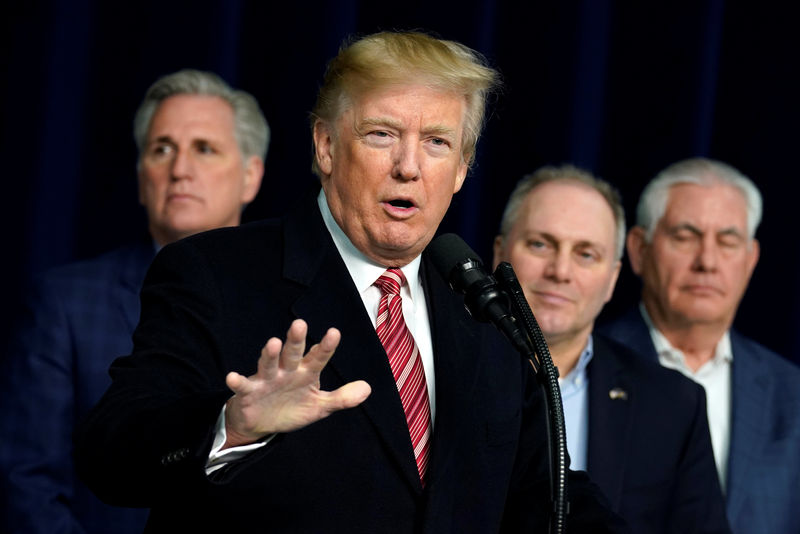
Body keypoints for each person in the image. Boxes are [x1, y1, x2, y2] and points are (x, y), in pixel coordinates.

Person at [74, 32, 625, 533]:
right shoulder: (213, 273)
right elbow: (111, 455)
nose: (409, 166)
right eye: (382, 134)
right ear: (327, 147)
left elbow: (537, 491)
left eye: (436, 142)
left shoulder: (480, 305)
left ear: (461, 169)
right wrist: (231, 424)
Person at [0, 69, 268, 534]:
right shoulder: (64, 303)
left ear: (250, 176)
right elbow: (26, 482)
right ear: (142, 175)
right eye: (161, 149)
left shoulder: (287, 301)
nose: (179, 169)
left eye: (204, 149)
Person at [492, 165, 730, 533]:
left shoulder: (674, 405)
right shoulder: (434, 368)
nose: (560, 271)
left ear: (612, 279)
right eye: (540, 244)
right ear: (499, 253)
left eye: (586, 254)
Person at [599, 157, 800, 534]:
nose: (707, 261)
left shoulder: (792, 393)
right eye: (685, 236)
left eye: (727, 241)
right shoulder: (584, 366)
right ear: (640, 250)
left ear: (750, 259)